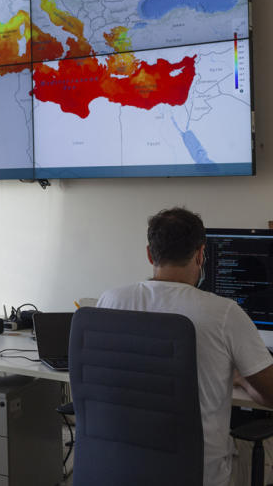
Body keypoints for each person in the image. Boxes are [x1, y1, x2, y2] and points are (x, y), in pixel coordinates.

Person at [97, 207, 273, 486]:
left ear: (149, 254)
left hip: (122, 466)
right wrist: (239, 377)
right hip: (198, 473)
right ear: (201, 254)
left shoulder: (110, 301)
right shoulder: (224, 313)